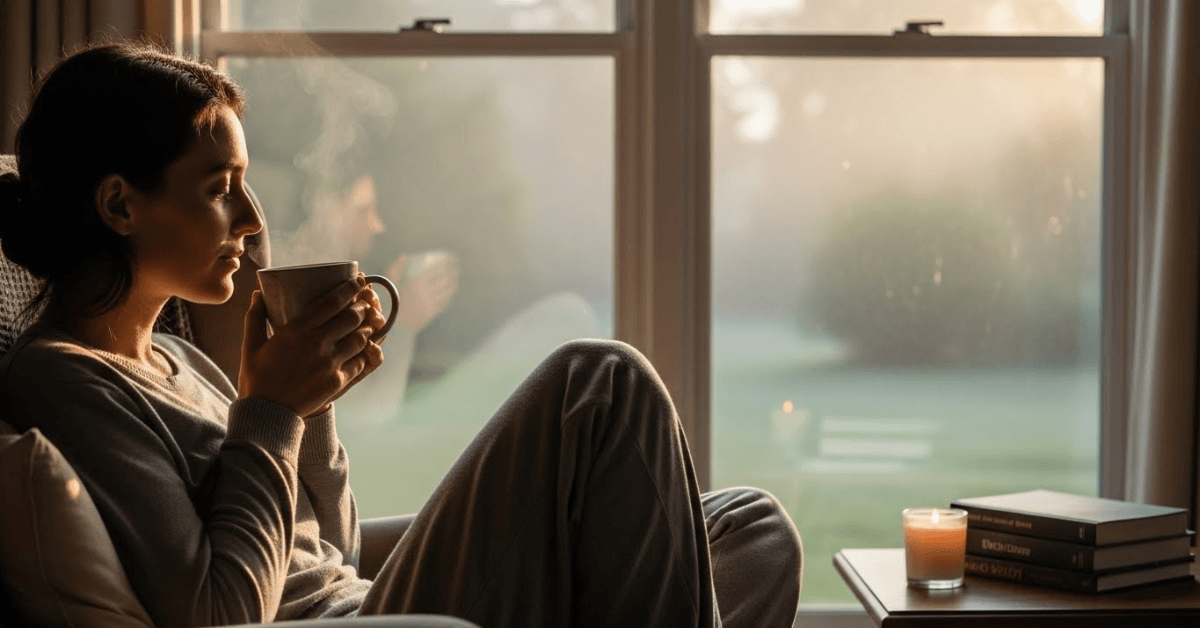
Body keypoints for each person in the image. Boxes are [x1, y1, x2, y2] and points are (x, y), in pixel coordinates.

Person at [0, 41, 802, 628]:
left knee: (751, 528)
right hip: (367, 625)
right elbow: (220, 613)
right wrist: (271, 409)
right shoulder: (65, 380)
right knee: (600, 382)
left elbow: (336, 545)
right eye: (220, 189)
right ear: (119, 205)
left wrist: (310, 406)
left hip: (366, 595)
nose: (250, 221)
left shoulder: (174, 356)